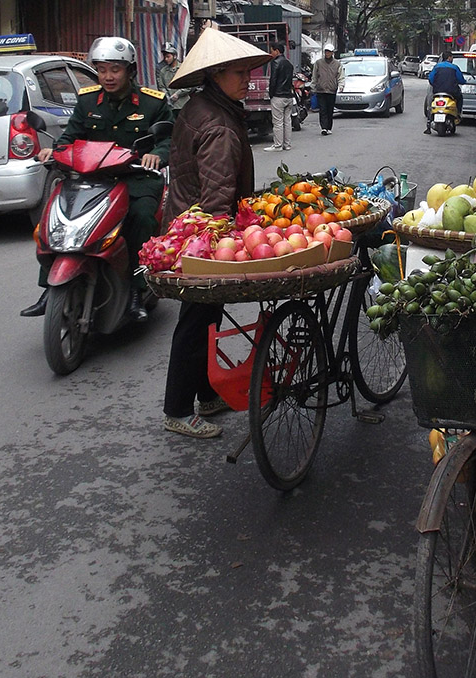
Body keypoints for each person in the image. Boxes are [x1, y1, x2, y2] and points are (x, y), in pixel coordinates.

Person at [160, 27, 273, 438]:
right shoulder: (220, 126)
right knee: (196, 320)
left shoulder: (203, 106)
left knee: (206, 317)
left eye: (248, 70)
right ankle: (176, 409)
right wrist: (223, 242)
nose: (247, 78)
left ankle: (206, 395)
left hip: (187, 226)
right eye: (238, 72)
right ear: (215, 75)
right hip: (202, 236)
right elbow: (217, 197)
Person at [21, 36, 173, 320]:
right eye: (102, 69)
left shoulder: (153, 104)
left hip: (136, 178)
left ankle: (139, 289)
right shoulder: (88, 99)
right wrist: (52, 151)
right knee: (54, 217)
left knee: (140, 217)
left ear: (130, 70)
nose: (108, 76)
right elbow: (71, 136)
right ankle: (48, 286)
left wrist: (157, 155)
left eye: (115, 69)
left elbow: (169, 139)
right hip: (92, 179)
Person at [423, 51, 465, 135]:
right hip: (452, 92)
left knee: (431, 104)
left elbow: (431, 79)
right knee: (460, 98)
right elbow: (461, 80)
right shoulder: (455, 67)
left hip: (438, 91)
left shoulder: (437, 67)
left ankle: (428, 123)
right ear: (449, 57)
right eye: (452, 57)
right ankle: (458, 114)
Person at [264, 41, 294, 151]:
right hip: (288, 96)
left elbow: (273, 80)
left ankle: (278, 145)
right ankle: (287, 144)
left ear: (277, 51)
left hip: (278, 96)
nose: (270, 53)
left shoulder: (275, 63)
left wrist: (271, 94)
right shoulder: (289, 64)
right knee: (287, 121)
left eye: (271, 51)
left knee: (277, 122)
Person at [312, 43, 343, 136]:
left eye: (329, 52)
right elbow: (315, 76)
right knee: (323, 109)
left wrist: (341, 86)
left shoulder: (337, 64)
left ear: (332, 53)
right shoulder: (318, 63)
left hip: (331, 90)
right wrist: (313, 87)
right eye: (326, 52)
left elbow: (341, 76)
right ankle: (324, 127)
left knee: (330, 110)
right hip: (321, 90)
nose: (327, 53)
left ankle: (329, 127)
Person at [156, 42, 193, 115]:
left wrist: (177, 94)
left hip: (183, 105)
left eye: (168, 56)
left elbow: (189, 85)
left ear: (175, 56)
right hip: (170, 107)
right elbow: (161, 86)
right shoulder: (163, 71)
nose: (166, 59)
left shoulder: (183, 68)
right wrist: (167, 96)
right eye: (165, 57)